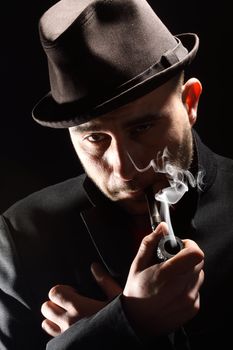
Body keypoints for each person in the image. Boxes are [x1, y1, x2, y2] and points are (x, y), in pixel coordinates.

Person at [0, 0, 232, 349]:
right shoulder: (22, 237)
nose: (124, 169)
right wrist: (127, 322)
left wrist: (97, 336)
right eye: (95, 138)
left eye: (142, 128)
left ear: (189, 103)